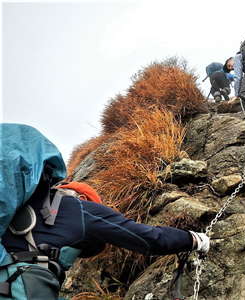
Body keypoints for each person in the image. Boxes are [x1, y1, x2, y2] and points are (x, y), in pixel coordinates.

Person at [0, 123, 209, 300]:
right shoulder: (78, 209)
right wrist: (194, 239)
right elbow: (149, 238)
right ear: (82, 199)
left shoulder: (16, 204)